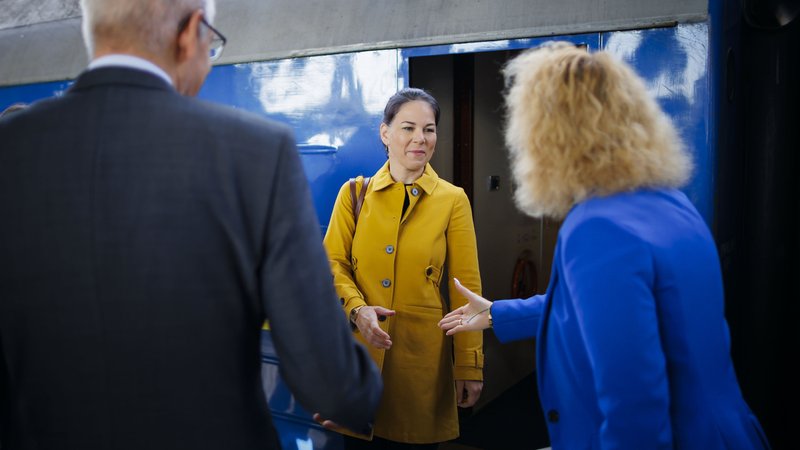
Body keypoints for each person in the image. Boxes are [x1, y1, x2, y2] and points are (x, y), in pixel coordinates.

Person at [0, 0, 381, 448]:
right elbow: (333, 385)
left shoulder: (12, 148)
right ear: (191, 32)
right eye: (211, 47)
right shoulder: (258, 152)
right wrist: (370, 385)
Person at [439, 42, 770, 449]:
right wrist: (496, 314)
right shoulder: (671, 203)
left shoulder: (597, 228)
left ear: (551, 137)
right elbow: (611, 305)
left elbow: (636, 413)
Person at [323, 88, 483, 449]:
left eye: (429, 130)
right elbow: (331, 264)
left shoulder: (452, 200)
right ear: (385, 133)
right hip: (359, 362)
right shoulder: (353, 194)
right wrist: (358, 309)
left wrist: (469, 366)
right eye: (408, 127)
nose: (420, 139)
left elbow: (468, 289)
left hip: (421, 364)